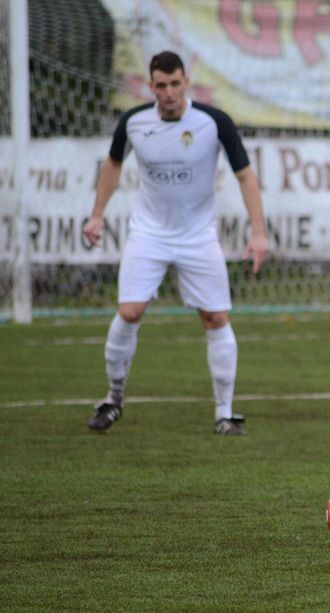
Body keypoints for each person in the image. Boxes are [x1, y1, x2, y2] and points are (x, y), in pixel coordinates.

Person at [81, 51, 269, 435]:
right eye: (161, 85)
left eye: (175, 84)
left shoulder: (214, 122)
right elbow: (113, 164)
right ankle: (113, 398)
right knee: (130, 311)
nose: (169, 92)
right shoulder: (134, 122)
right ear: (151, 87)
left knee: (215, 317)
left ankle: (225, 413)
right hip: (148, 233)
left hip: (198, 235)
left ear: (187, 83)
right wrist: (97, 214)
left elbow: (246, 176)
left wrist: (259, 232)